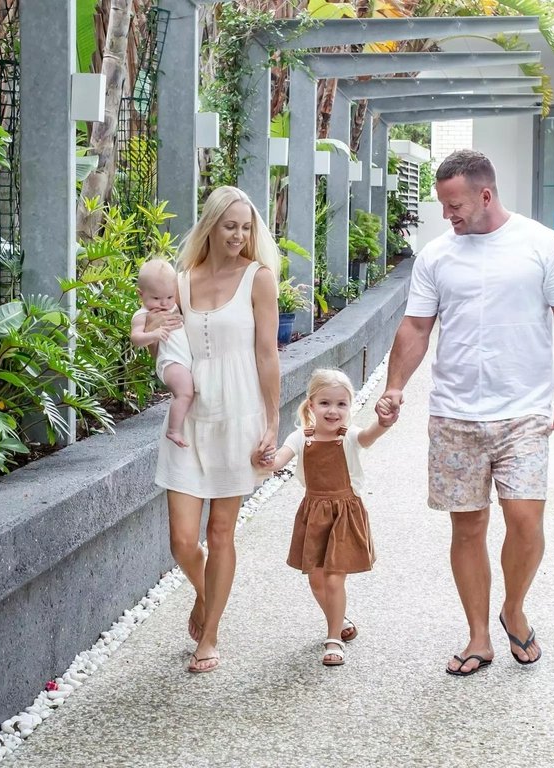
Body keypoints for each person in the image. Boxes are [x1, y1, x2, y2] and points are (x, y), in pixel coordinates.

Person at [375, 150, 554, 677]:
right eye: (443, 205)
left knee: (524, 520)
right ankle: (478, 636)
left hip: (523, 412)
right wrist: (395, 387)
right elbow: (416, 328)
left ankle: (513, 607)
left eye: (455, 205)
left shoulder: (542, 246)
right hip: (454, 414)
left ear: (485, 195)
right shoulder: (436, 256)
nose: (448, 215)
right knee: (468, 528)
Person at [150, 186, 281, 674]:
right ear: (210, 226)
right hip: (190, 420)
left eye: (246, 227)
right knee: (183, 540)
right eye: (231, 226)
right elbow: (163, 347)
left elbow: (268, 355)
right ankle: (207, 596)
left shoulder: (258, 279)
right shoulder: (181, 282)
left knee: (221, 532)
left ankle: (210, 634)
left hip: (239, 413)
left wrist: (272, 421)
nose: (240, 235)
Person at [256, 369, 396, 666]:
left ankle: (333, 639)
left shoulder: (350, 436)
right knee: (317, 579)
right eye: (325, 403)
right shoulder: (300, 437)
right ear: (310, 405)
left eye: (341, 404)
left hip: (345, 512)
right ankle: (340, 619)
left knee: (334, 579)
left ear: (349, 407)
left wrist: (383, 424)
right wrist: (264, 458)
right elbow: (278, 460)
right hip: (314, 513)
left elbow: (369, 436)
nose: (333, 411)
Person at [130, 259, 194, 447]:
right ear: (140, 294)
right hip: (170, 361)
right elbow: (136, 338)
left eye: (169, 297)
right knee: (185, 393)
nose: (164, 303)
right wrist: (153, 334)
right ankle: (173, 430)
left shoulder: (173, 306)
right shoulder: (142, 315)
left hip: (183, 359)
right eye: (156, 299)